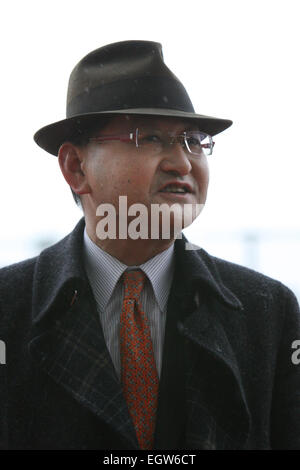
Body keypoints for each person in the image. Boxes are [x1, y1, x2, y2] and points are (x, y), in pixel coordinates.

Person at [0, 40, 299, 451]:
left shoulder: (269, 312)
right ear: (76, 166)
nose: (182, 162)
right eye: (150, 137)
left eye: (194, 141)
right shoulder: (7, 308)